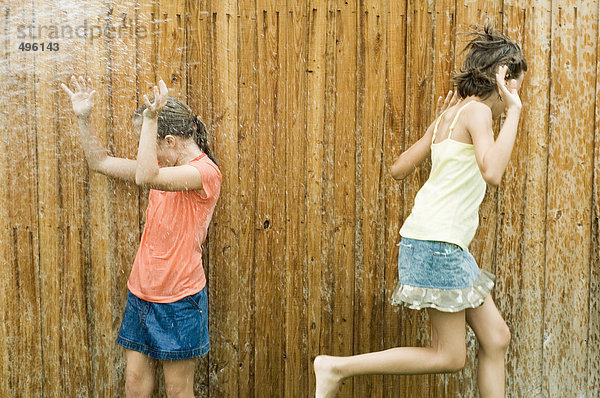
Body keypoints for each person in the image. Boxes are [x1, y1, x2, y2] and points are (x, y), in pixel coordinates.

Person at [314, 23, 527, 398]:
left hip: (437, 242)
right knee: (449, 356)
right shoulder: (478, 114)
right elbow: (492, 171)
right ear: (502, 80)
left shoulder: (451, 116)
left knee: (496, 337)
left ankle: (336, 368)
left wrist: (435, 128)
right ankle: (336, 368)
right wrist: (514, 113)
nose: (515, 95)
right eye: (515, 86)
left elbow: (398, 169)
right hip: (438, 244)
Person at [62, 77, 221, 398]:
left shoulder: (203, 174)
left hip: (179, 299)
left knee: (178, 392)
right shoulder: (161, 168)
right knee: (134, 386)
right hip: (141, 294)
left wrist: (150, 119)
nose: (143, 151)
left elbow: (148, 176)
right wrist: (83, 117)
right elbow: (100, 163)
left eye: (147, 141)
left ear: (171, 142)